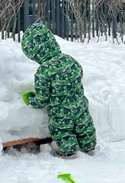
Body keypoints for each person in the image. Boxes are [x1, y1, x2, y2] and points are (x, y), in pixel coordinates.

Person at [21, 23, 96, 158]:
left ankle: (69, 151)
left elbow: (42, 98)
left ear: (34, 54)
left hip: (61, 110)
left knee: (61, 130)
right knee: (85, 125)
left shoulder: (43, 71)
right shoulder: (69, 59)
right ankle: (89, 146)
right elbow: (79, 73)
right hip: (80, 104)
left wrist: (33, 100)